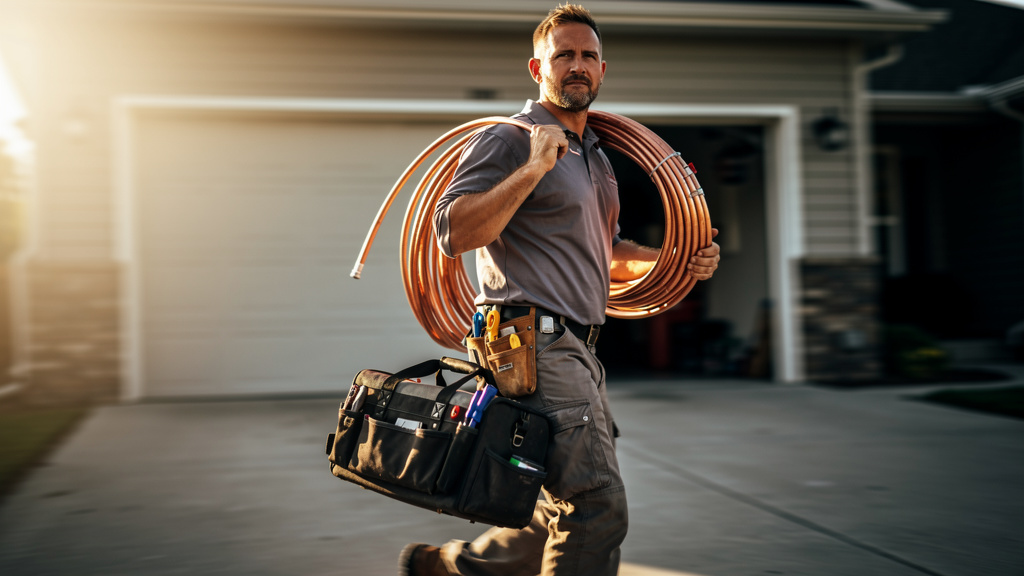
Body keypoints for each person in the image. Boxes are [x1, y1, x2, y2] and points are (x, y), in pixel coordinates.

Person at [402, 4, 721, 575]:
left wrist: (678, 259)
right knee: (594, 505)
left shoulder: (598, 158)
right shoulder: (510, 139)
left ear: (603, 70)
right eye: (564, 55)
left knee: (552, 505)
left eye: (588, 56)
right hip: (531, 341)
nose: (577, 65)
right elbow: (452, 232)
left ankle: (451, 570)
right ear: (537, 68)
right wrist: (531, 168)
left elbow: (608, 251)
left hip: (574, 346)